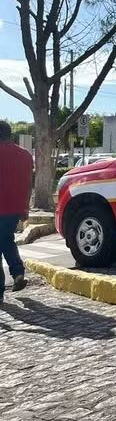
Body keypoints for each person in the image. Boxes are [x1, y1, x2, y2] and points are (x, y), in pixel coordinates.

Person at [0, 121, 32, 303]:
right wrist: (25, 207)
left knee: (3, 241)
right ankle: (17, 273)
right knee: (6, 239)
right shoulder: (25, 155)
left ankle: (14, 276)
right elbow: (28, 185)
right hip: (14, 208)